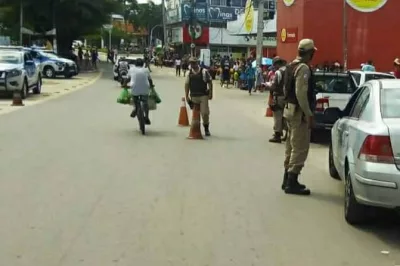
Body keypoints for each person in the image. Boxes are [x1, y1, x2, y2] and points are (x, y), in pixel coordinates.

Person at [281, 39, 317, 196]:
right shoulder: (303, 68)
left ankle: (286, 179)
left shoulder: (290, 66)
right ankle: (291, 182)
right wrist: (308, 113)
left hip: (288, 110)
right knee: (300, 147)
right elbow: (301, 93)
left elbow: (284, 89)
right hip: (298, 112)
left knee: (290, 145)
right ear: (310, 53)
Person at [184, 57, 213, 136]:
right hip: (194, 96)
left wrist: (210, 93)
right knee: (195, 115)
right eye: (191, 63)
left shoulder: (204, 72)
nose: (193, 64)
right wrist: (186, 96)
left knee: (204, 113)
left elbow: (210, 82)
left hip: (203, 95)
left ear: (197, 63)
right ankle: (195, 130)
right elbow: (186, 85)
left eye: (194, 63)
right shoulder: (189, 73)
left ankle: (206, 128)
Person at [269, 57, 287, 143]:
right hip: (287, 97)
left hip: (279, 96)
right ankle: (286, 134)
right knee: (285, 116)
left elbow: (275, 85)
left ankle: (277, 135)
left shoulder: (279, 72)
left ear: (277, 64)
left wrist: (269, 86)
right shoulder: (289, 71)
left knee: (277, 116)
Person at [129, 58, 153, 125]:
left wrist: (125, 85)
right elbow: (150, 80)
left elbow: (128, 78)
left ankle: (135, 109)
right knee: (145, 103)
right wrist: (151, 86)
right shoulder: (146, 70)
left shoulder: (132, 69)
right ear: (143, 64)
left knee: (135, 100)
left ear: (135, 64)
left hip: (134, 89)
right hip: (145, 89)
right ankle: (147, 117)